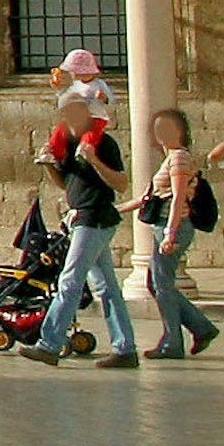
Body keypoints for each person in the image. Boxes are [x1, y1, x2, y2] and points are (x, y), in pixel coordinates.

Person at [23, 95, 140, 368]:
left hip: (95, 217)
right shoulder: (66, 142)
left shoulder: (103, 143)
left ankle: (49, 345)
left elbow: (121, 184)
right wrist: (49, 164)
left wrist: (94, 160)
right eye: (66, 112)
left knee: (69, 281)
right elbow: (67, 186)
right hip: (81, 217)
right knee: (107, 288)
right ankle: (125, 349)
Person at [137, 107, 222, 360]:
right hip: (162, 224)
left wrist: (170, 234)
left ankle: (172, 341)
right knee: (155, 283)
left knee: (162, 284)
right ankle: (201, 327)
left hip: (172, 225)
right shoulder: (170, 158)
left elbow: (176, 198)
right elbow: (153, 197)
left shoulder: (179, 158)